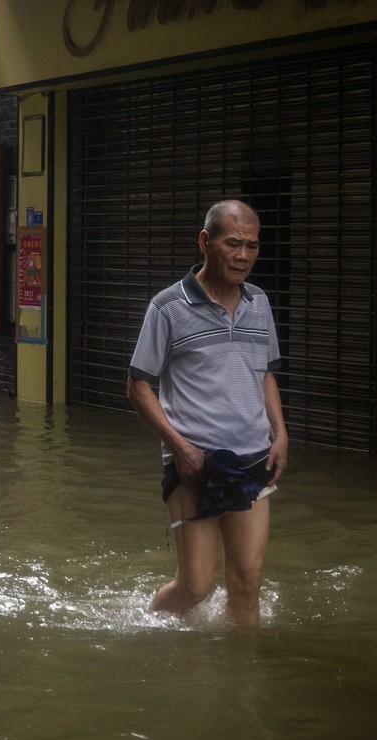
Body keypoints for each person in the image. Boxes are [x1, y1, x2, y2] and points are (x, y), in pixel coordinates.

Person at [127, 200, 288, 626]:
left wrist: (281, 433)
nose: (243, 256)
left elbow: (266, 375)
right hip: (193, 464)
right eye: (233, 243)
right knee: (196, 586)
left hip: (253, 458)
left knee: (248, 581)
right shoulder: (168, 307)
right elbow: (138, 386)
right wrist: (179, 448)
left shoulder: (260, 304)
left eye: (252, 246)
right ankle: (150, 628)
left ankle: (241, 683)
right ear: (205, 242)